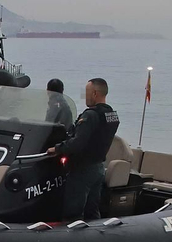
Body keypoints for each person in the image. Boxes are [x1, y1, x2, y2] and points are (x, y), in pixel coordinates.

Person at [47, 77, 120, 221]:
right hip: (98, 168)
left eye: (86, 93)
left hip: (82, 169)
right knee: (92, 212)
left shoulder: (90, 115)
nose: (85, 96)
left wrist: (57, 149)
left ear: (95, 94)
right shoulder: (112, 115)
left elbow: (77, 142)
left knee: (73, 213)